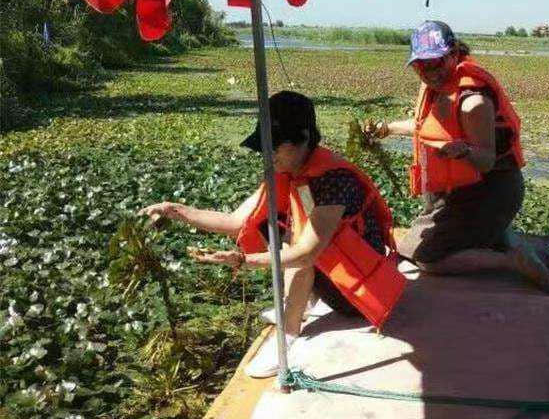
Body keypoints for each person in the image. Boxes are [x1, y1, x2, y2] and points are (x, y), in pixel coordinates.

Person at [141, 90, 405, 378]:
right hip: (332, 278)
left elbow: (307, 253)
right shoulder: (289, 170)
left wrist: (243, 260)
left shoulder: (334, 179)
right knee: (269, 223)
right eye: (265, 147)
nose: (269, 154)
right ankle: (302, 304)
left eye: (275, 146)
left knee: (300, 241)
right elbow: (236, 222)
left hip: (357, 294)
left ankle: (287, 335)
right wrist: (174, 209)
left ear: (303, 137)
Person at [366, 20, 549, 289]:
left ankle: (513, 261)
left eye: (437, 62)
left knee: (427, 258)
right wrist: (388, 128)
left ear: (453, 54)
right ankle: (490, 237)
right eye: (422, 65)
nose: (431, 72)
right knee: (409, 247)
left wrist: (464, 151)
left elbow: (486, 160)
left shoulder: (472, 103)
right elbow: (426, 128)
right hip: (462, 190)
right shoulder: (440, 87)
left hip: (492, 192)